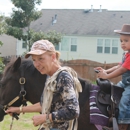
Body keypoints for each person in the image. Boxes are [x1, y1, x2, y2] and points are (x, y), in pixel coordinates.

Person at [5, 39, 82, 130]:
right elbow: (44, 104)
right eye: (34, 60)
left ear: (53, 57)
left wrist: (45, 117)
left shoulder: (63, 77)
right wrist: (19, 110)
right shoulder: (50, 77)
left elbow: (73, 110)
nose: (37, 64)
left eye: (41, 58)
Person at [95, 24, 130, 130]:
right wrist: (106, 71)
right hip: (125, 82)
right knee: (113, 93)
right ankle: (111, 117)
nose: (123, 43)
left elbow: (121, 70)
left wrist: (106, 76)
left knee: (125, 101)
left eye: (126, 40)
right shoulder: (126, 54)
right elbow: (118, 66)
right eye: (121, 41)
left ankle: (123, 125)